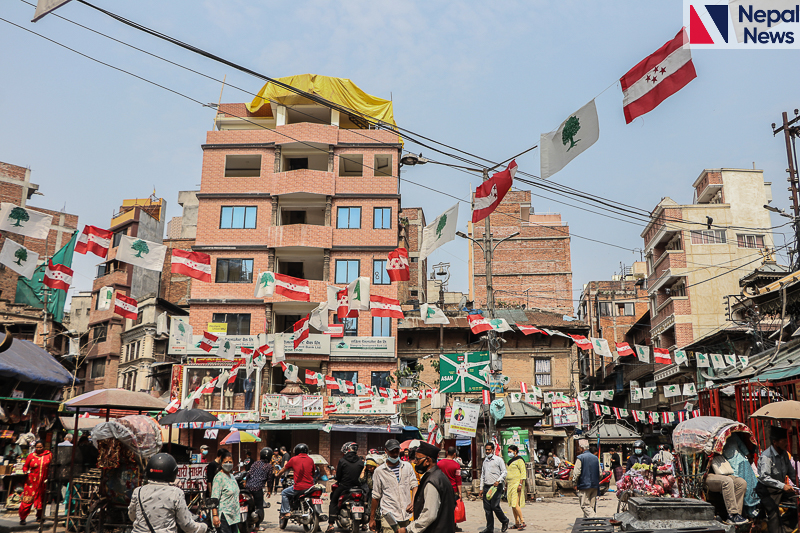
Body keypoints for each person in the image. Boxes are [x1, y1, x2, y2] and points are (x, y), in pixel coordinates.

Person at [129, 453, 207, 533]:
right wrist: (203, 527)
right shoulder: (175, 493)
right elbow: (186, 525)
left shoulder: (138, 491)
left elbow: (132, 516)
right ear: (173, 472)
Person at [397, 441, 455, 533]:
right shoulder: (439, 476)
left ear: (427, 460)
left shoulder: (432, 481)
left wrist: (408, 529)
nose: (415, 462)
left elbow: (429, 515)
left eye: (418, 459)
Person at [756, 426, 798, 533]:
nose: (787, 443)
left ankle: (786, 528)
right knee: (774, 512)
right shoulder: (766, 456)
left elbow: (792, 473)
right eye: (784, 441)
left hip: (780, 488)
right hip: (767, 489)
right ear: (775, 442)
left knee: (796, 502)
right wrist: (783, 486)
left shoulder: (784, 454)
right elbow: (764, 477)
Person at [370, 439, 418, 533]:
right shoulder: (379, 471)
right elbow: (376, 496)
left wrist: (413, 502)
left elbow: (414, 485)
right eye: (392, 451)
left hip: (406, 514)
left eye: (397, 451)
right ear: (386, 451)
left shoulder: (407, 467)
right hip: (389, 515)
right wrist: (372, 518)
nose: (395, 454)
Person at [327, 442, 365, 533]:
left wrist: (337, 478)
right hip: (358, 487)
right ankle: (364, 525)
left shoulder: (342, 460)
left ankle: (331, 524)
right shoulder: (360, 461)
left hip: (344, 487)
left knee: (333, 500)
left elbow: (339, 476)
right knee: (364, 501)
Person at [705, 452, 748, 525]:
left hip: (720, 472)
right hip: (706, 475)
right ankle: (732, 514)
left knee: (741, 482)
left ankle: (737, 515)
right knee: (727, 481)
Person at [276, 443, 315, 521]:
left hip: (299, 487)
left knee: (284, 493)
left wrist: (278, 474)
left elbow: (284, 468)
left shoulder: (294, 459)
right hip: (310, 487)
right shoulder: (310, 460)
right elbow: (313, 472)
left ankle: (286, 512)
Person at [18, 440, 51, 525]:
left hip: (43, 482)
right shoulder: (31, 456)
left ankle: (40, 517)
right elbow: (25, 467)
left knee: (42, 500)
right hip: (31, 482)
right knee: (27, 501)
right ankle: (22, 518)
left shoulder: (49, 455)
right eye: (37, 447)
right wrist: (25, 472)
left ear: (44, 447)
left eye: (40, 447)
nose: (39, 449)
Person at [479, 442, 509, 533]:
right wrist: (481, 488)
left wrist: (498, 480)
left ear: (492, 450)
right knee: (487, 509)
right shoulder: (485, 461)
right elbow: (482, 475)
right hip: (487, 486)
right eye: (486, 450)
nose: (487, 451)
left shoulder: (498, 460)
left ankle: (504, 520)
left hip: (496, 486)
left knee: (495, 506)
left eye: (489, 450)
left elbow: (504, 472)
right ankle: (489, 528)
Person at [211, 454, 240, 533]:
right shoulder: (219, 477)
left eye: (230, 462)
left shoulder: (232, 476)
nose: (228, 463)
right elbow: (214, 498)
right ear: (221, 463)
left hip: (233, 516)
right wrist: (215, 515)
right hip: (224, 516)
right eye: (226, 462)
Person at [572, 440, 600, 518]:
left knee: (584, 505)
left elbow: (576, 473)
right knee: (591, 506)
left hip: (584, 485)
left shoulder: (580, 458)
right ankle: (589, 525)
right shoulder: (595, 458)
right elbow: (600, 473)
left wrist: (574, 482)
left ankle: (594, 519)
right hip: (594, 485)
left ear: (581, 448)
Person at [246, 448, 272, 526]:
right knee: (259, 507)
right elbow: (270, 480)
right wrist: (269, 490)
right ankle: (257, 526)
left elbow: (248, 474)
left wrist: (246, 484)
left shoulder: (255, 463)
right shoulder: (269, 466)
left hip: (248, 488)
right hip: (258, 489)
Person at [506, 445, 526, 530]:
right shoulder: (510, 461)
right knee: (512, 504)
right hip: (510, 484)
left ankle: (522, 521)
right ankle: (516, 523)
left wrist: (520, 484)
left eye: (510, 451)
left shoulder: (520, 460)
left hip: (516, 483)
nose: (509, 453)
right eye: (508, 451)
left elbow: (523, 472)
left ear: (515, 451)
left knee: (515, 503)